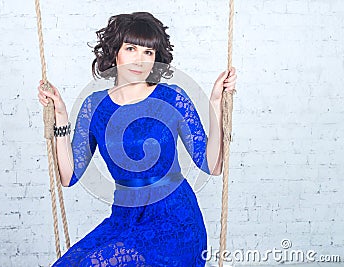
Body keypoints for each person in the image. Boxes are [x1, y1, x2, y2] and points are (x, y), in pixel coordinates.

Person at [37, 12, 237, 267]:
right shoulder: (95, 106)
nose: (140, 60)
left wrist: (217, 103)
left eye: (148, 52)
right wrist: (61, 116)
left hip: (175, 221)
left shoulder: (172, 98)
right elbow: (68, 176)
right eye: (131, 48)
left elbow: (212, 165)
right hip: (125, 218)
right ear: (115, 53)